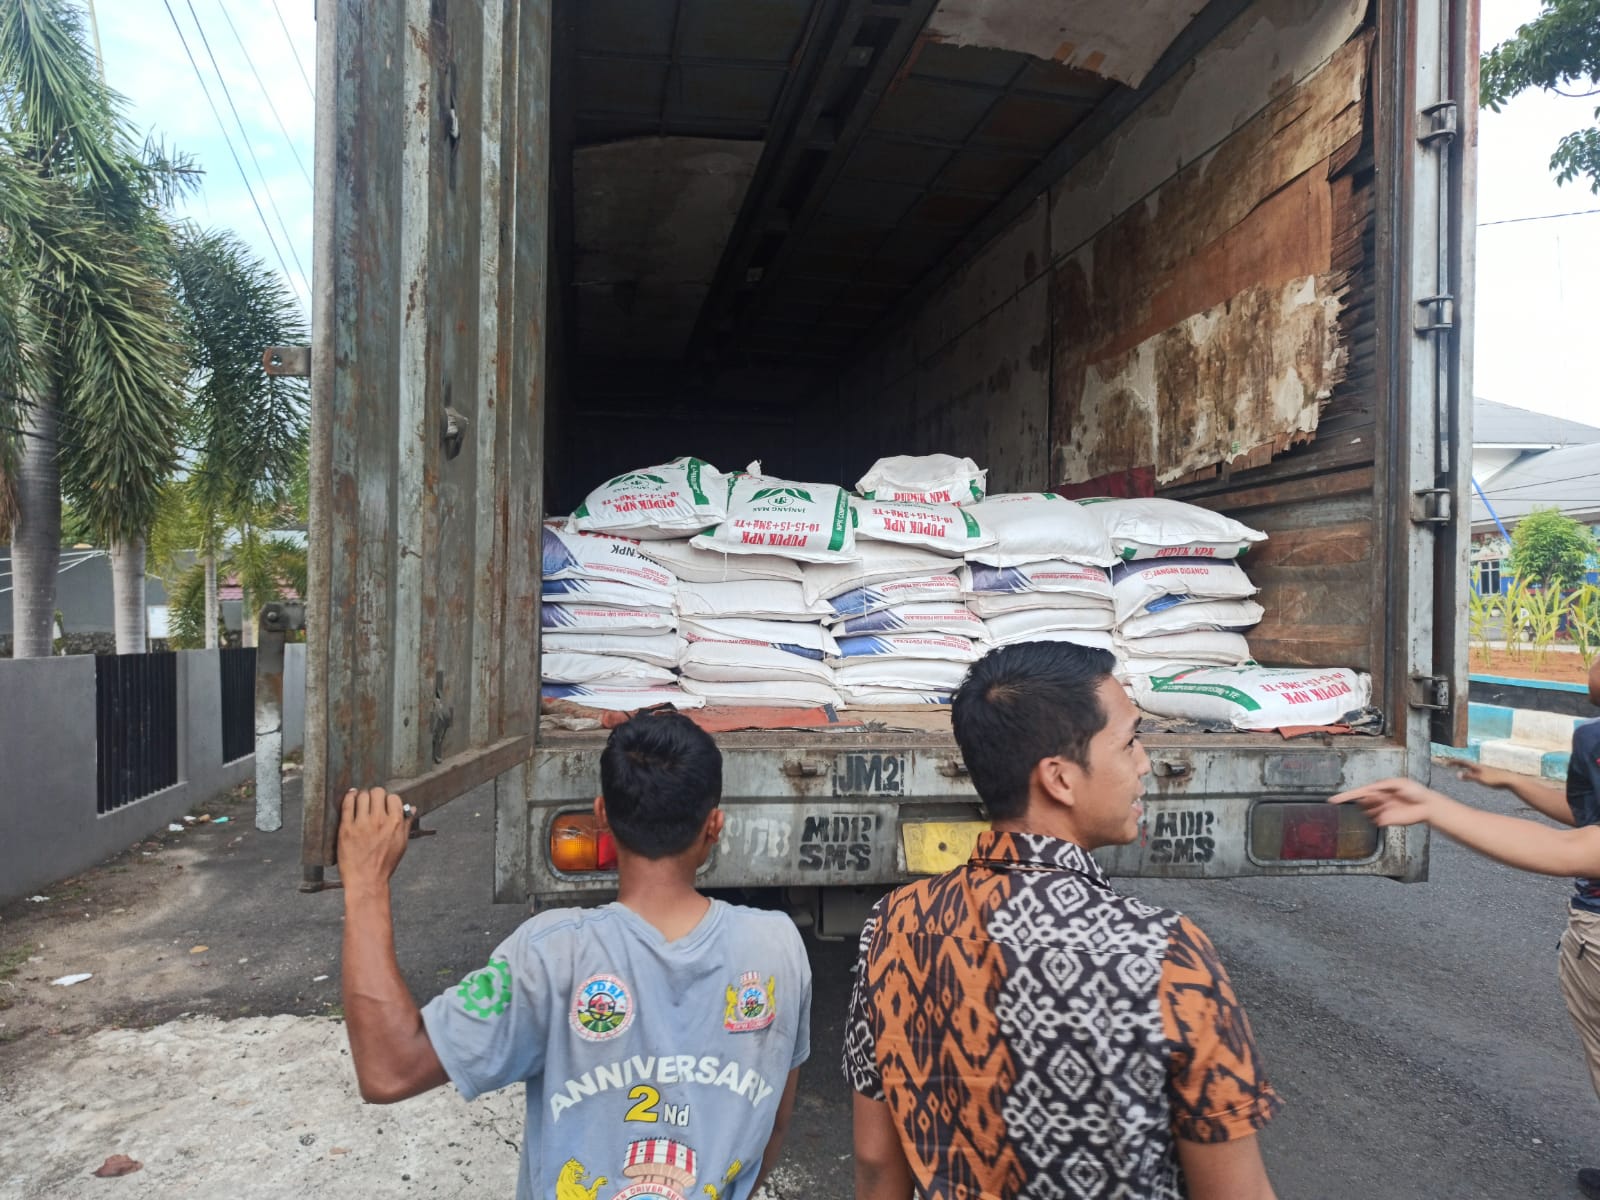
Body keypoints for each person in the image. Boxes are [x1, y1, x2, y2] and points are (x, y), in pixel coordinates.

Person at [844, 641, 1281, 1200]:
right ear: (1060, 779)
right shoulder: (1164, 954)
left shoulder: (894, 926)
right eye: (1129, 742)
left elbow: (877, 1162)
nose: (1144, 761)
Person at [338, 711, 811, 1200]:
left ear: (601, 815)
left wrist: (367, 883)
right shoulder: (778, 948)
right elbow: (773, 1126)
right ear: (715, 827)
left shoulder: (551, 954)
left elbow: (388, 1069)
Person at [1333, 655, 1600, 1198]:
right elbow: (1586, 820)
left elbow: (1580, 849)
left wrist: (1437, 807)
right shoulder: (1591, 740)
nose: (1592, 664)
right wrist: (1511, 783)